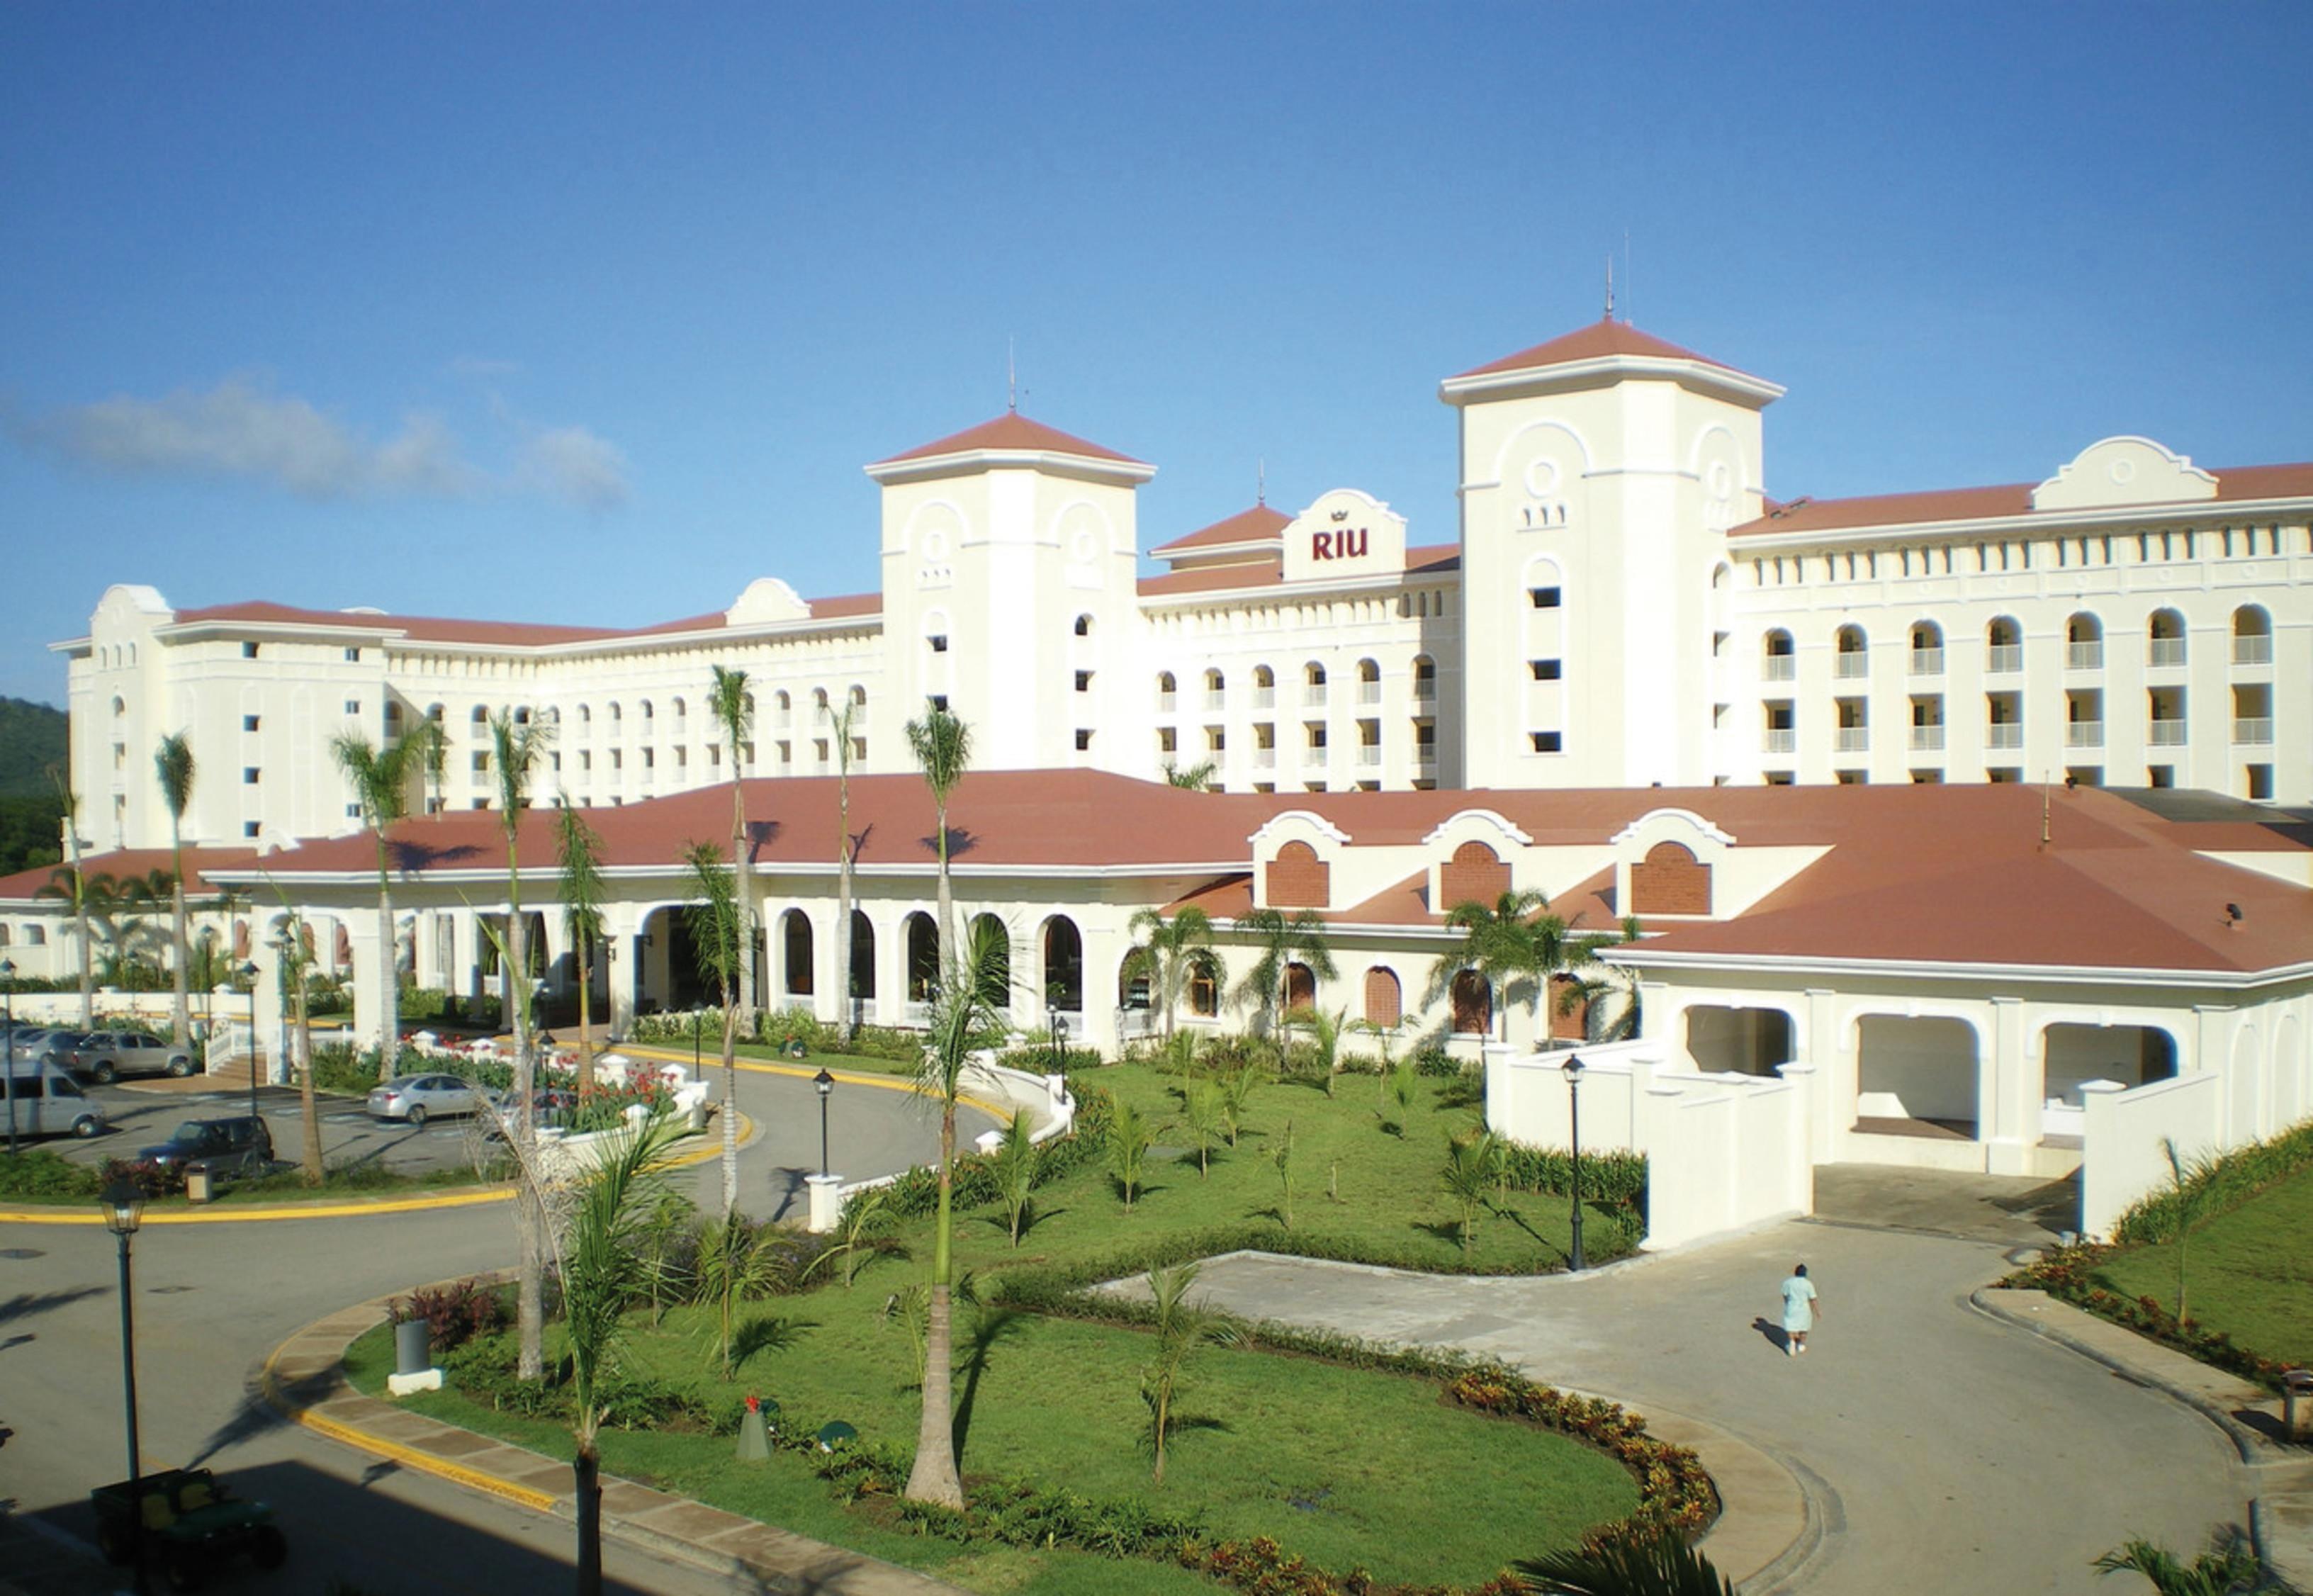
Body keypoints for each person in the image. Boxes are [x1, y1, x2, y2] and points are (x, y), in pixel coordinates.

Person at [1781, 1262, 1819, 1356]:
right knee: (1804, 1327)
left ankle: (1792, 1343)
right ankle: (1801, 1345)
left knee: (1791, 1326)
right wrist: (1817, 1311)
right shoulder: (1808, 1284)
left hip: (1792, 1306)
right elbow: (1813, 1298)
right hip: (1804, 1308)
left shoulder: (1788, 1282)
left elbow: (1785, 1295)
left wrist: (1787, 1303)